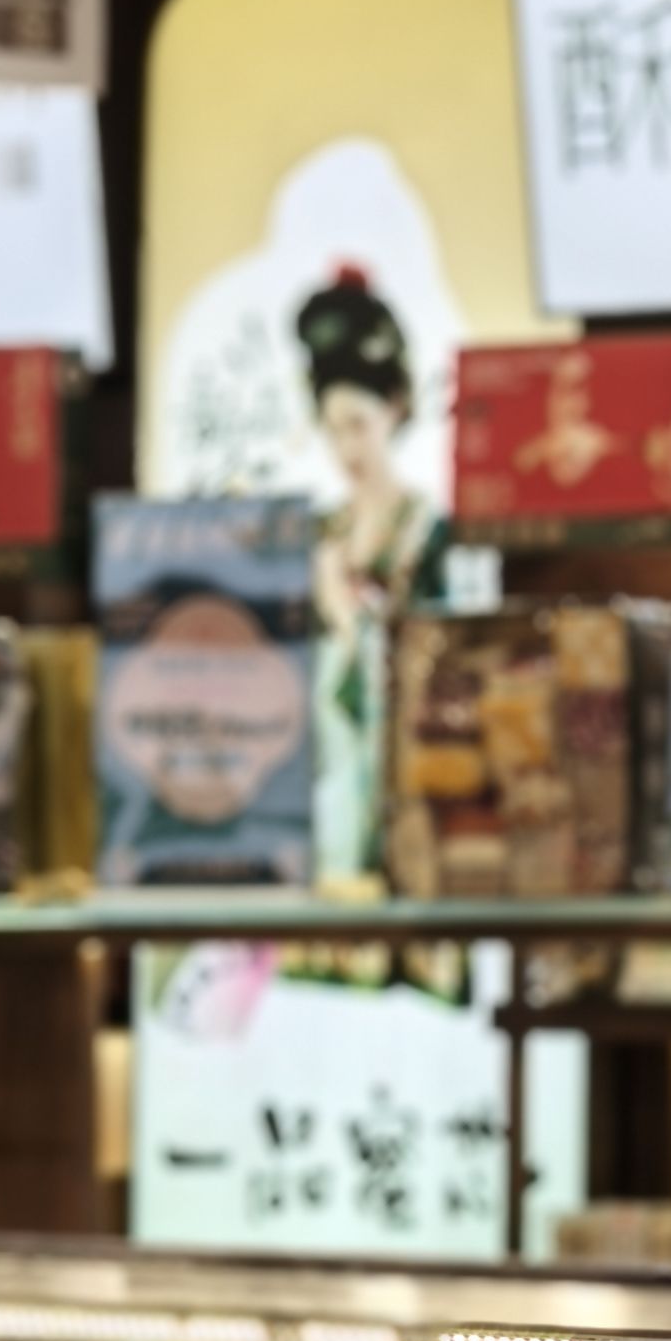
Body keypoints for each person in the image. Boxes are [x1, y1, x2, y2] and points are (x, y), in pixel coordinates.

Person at [297, 267, 449, 893]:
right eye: (333, 429)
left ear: (394, 412)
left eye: (358, 425)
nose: (346, 448)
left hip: (413, 752)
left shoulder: (428, 527)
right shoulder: (319, 533)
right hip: (331, 764)